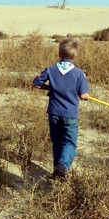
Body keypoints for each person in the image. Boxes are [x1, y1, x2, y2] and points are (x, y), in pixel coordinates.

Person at [33, 37, 90, 179]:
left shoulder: (50, 70)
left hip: (54, 112)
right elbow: (83, 95)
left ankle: (57, 171)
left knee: (57, 141)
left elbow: (36, 84)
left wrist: (49, 87)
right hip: (70, 114)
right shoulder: (79, 73)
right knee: (69, 142)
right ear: (75, 56)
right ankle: (62, 166)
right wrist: (85, 96)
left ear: (59, 54)